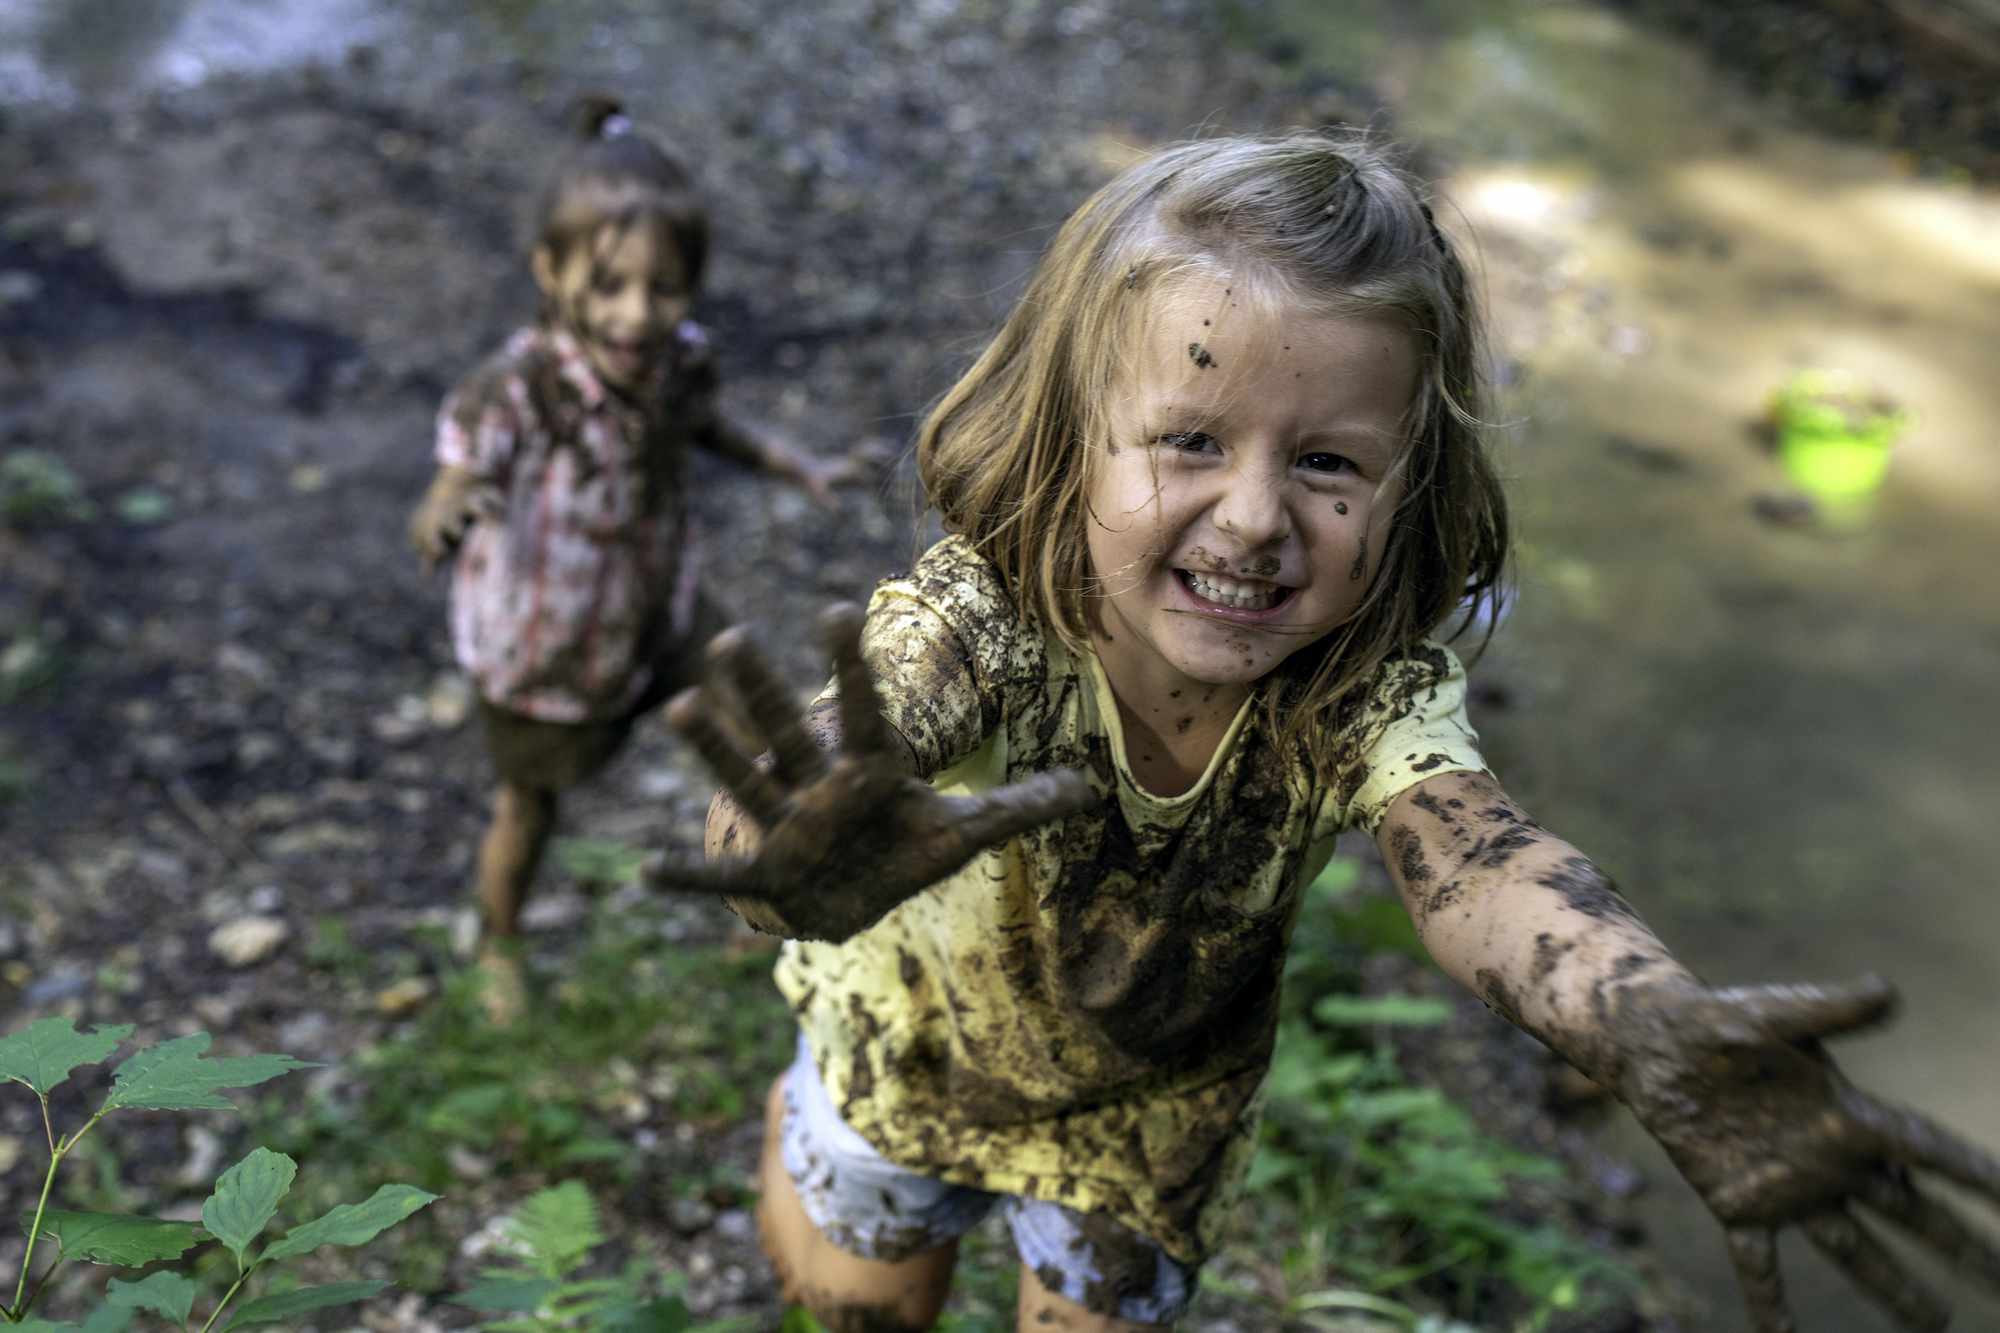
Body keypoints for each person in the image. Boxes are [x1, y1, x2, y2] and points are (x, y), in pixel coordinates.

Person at [646, 130, 2000, 1332]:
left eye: (1328, 463)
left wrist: (1637, 1018)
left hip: (1150, 1119)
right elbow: (808, 779)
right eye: (1189, 439)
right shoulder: (986, 617)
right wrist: (786, 846)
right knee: (851, 1308)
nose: (1252, 517)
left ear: (1410, 490)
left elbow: (1483, 864)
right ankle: (802, 1132)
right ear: (1069, 449)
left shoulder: (1351, 688)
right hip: (904, 1045)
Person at [409, 98, 853, 1021]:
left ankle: (767, 883)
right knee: (528, 802)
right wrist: (447, 510)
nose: (636, 315)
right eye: (607, 286)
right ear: (549, 272)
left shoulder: (681, 359)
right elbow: (457, 468)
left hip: (660, 601)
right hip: (549, 640)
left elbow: (706, 426)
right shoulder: (524, 386)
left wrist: (792, 463)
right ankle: (500, 939)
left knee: (754, 729)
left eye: (664, 289)